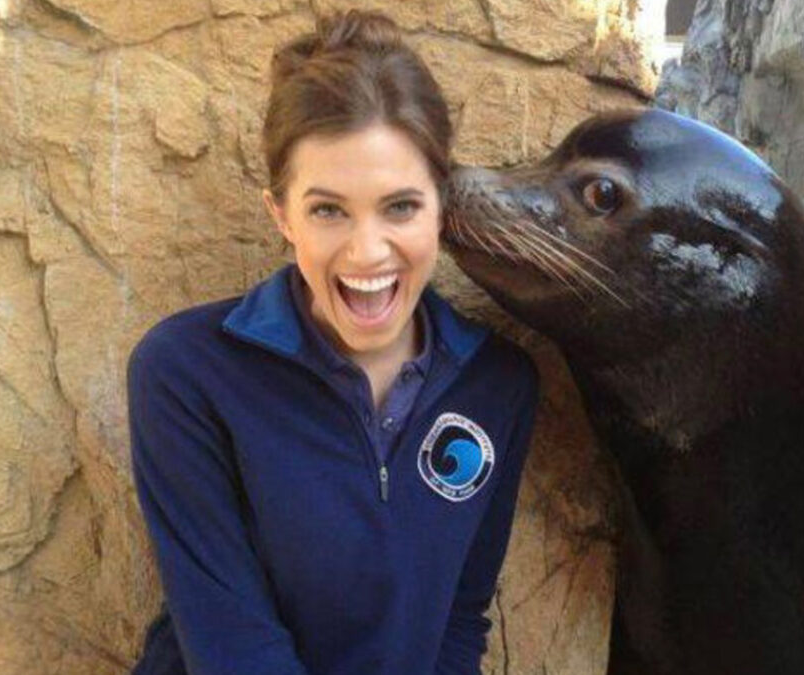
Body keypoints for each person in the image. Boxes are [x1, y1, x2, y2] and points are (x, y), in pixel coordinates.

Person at [127, 10, 540, 675]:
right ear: (281, 215)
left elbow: (458, 621)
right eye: (328, 210)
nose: (367, 250)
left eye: (400, 206)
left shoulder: (499, 385)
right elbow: (232, 647)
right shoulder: (185, 372)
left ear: (441, 205)